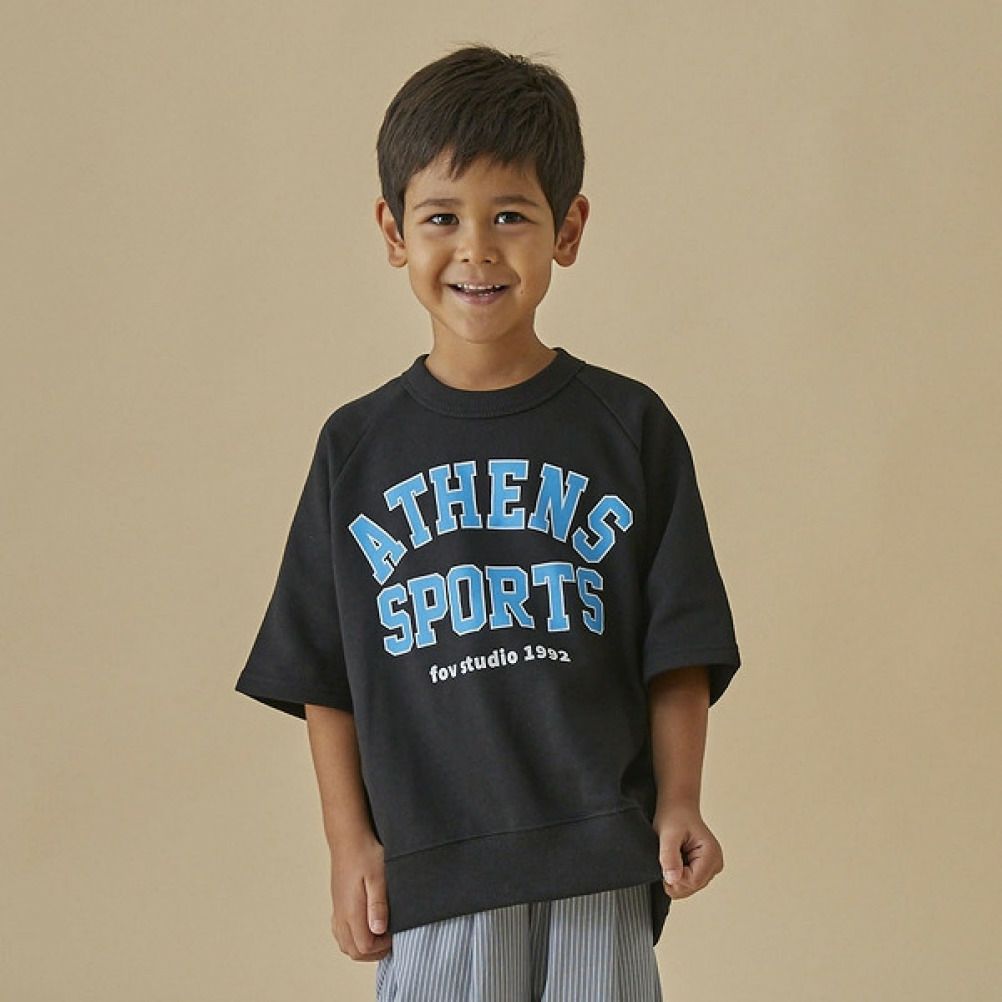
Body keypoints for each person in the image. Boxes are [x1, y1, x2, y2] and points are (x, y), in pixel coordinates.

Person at [234, 43, 742, 1002]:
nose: (476, 249)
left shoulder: (629, 427)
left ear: (568, 228)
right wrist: (350, 845)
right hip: (438, 867)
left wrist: (681, 799)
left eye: (511, 215)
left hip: (597, 851)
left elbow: (678, 647)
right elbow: (323, 673)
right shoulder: (357, 448)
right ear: (394, 232)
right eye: (442, 217)